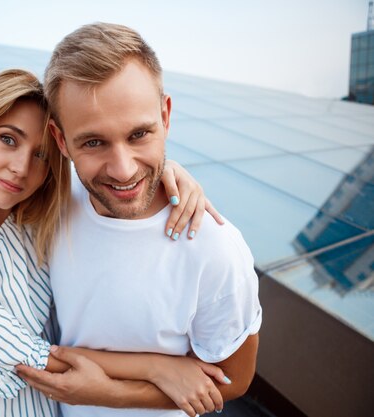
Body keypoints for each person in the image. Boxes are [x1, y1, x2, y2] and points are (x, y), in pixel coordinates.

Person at [0, 69, 230, 417]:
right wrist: (159, 367)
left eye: (42, 155)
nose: (21, 167)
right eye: (8, 139)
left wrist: (171, 172)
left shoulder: (35, 210)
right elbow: (35, 362)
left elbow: (118, 174)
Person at [16, 23, 262, 417]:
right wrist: (155, 369)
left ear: (165, 116)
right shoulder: (50, 204)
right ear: (61, 141)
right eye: (93, 142)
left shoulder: (216, 250)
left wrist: (111, 394)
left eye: (139, 134)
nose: (123, 169)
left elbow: (233, 379)